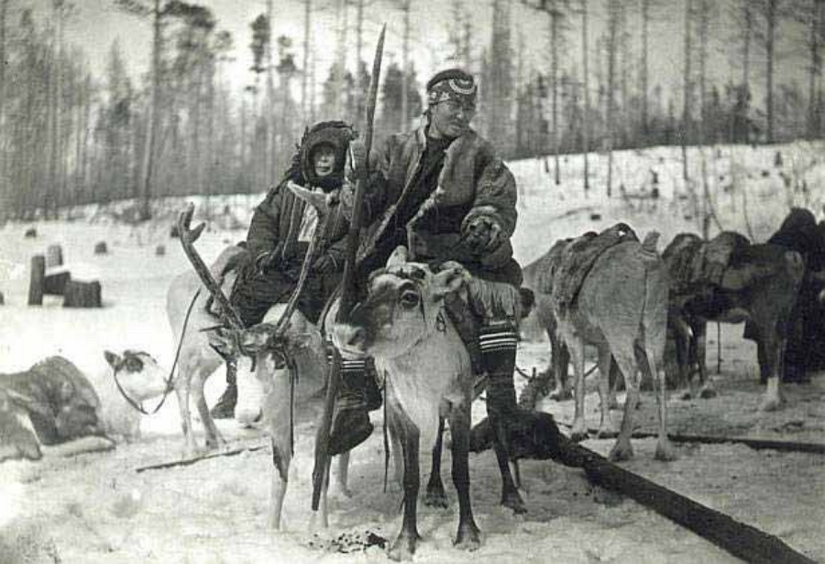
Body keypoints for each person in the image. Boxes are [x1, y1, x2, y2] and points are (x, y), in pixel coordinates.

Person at [327, 68, 551, 460]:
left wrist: (485, 223)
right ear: (432, 104)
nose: (463, 114)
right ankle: (352, 399)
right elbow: (359, 210)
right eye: (454, 105)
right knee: (344, 306)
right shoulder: (395, 148)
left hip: (453, 253)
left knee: (497, 300)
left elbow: (495, 200)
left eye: (469, 106)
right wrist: (356, 182)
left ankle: (502, 400)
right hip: (390, 253)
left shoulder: (481, 155)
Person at [210, 121, 358, 418]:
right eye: (319, 155)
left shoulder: (349, 195)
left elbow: (357, 233)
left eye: (331, 155)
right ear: (308, 157)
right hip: (282, 261)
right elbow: (263, 222)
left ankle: (343, 382)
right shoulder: (287, 190)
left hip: (322, 268)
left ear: (341, 157)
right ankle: (235, 382)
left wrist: (333, 257)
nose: (324, 161)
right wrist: (263, 252)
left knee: (334, 316)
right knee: (242, 305)